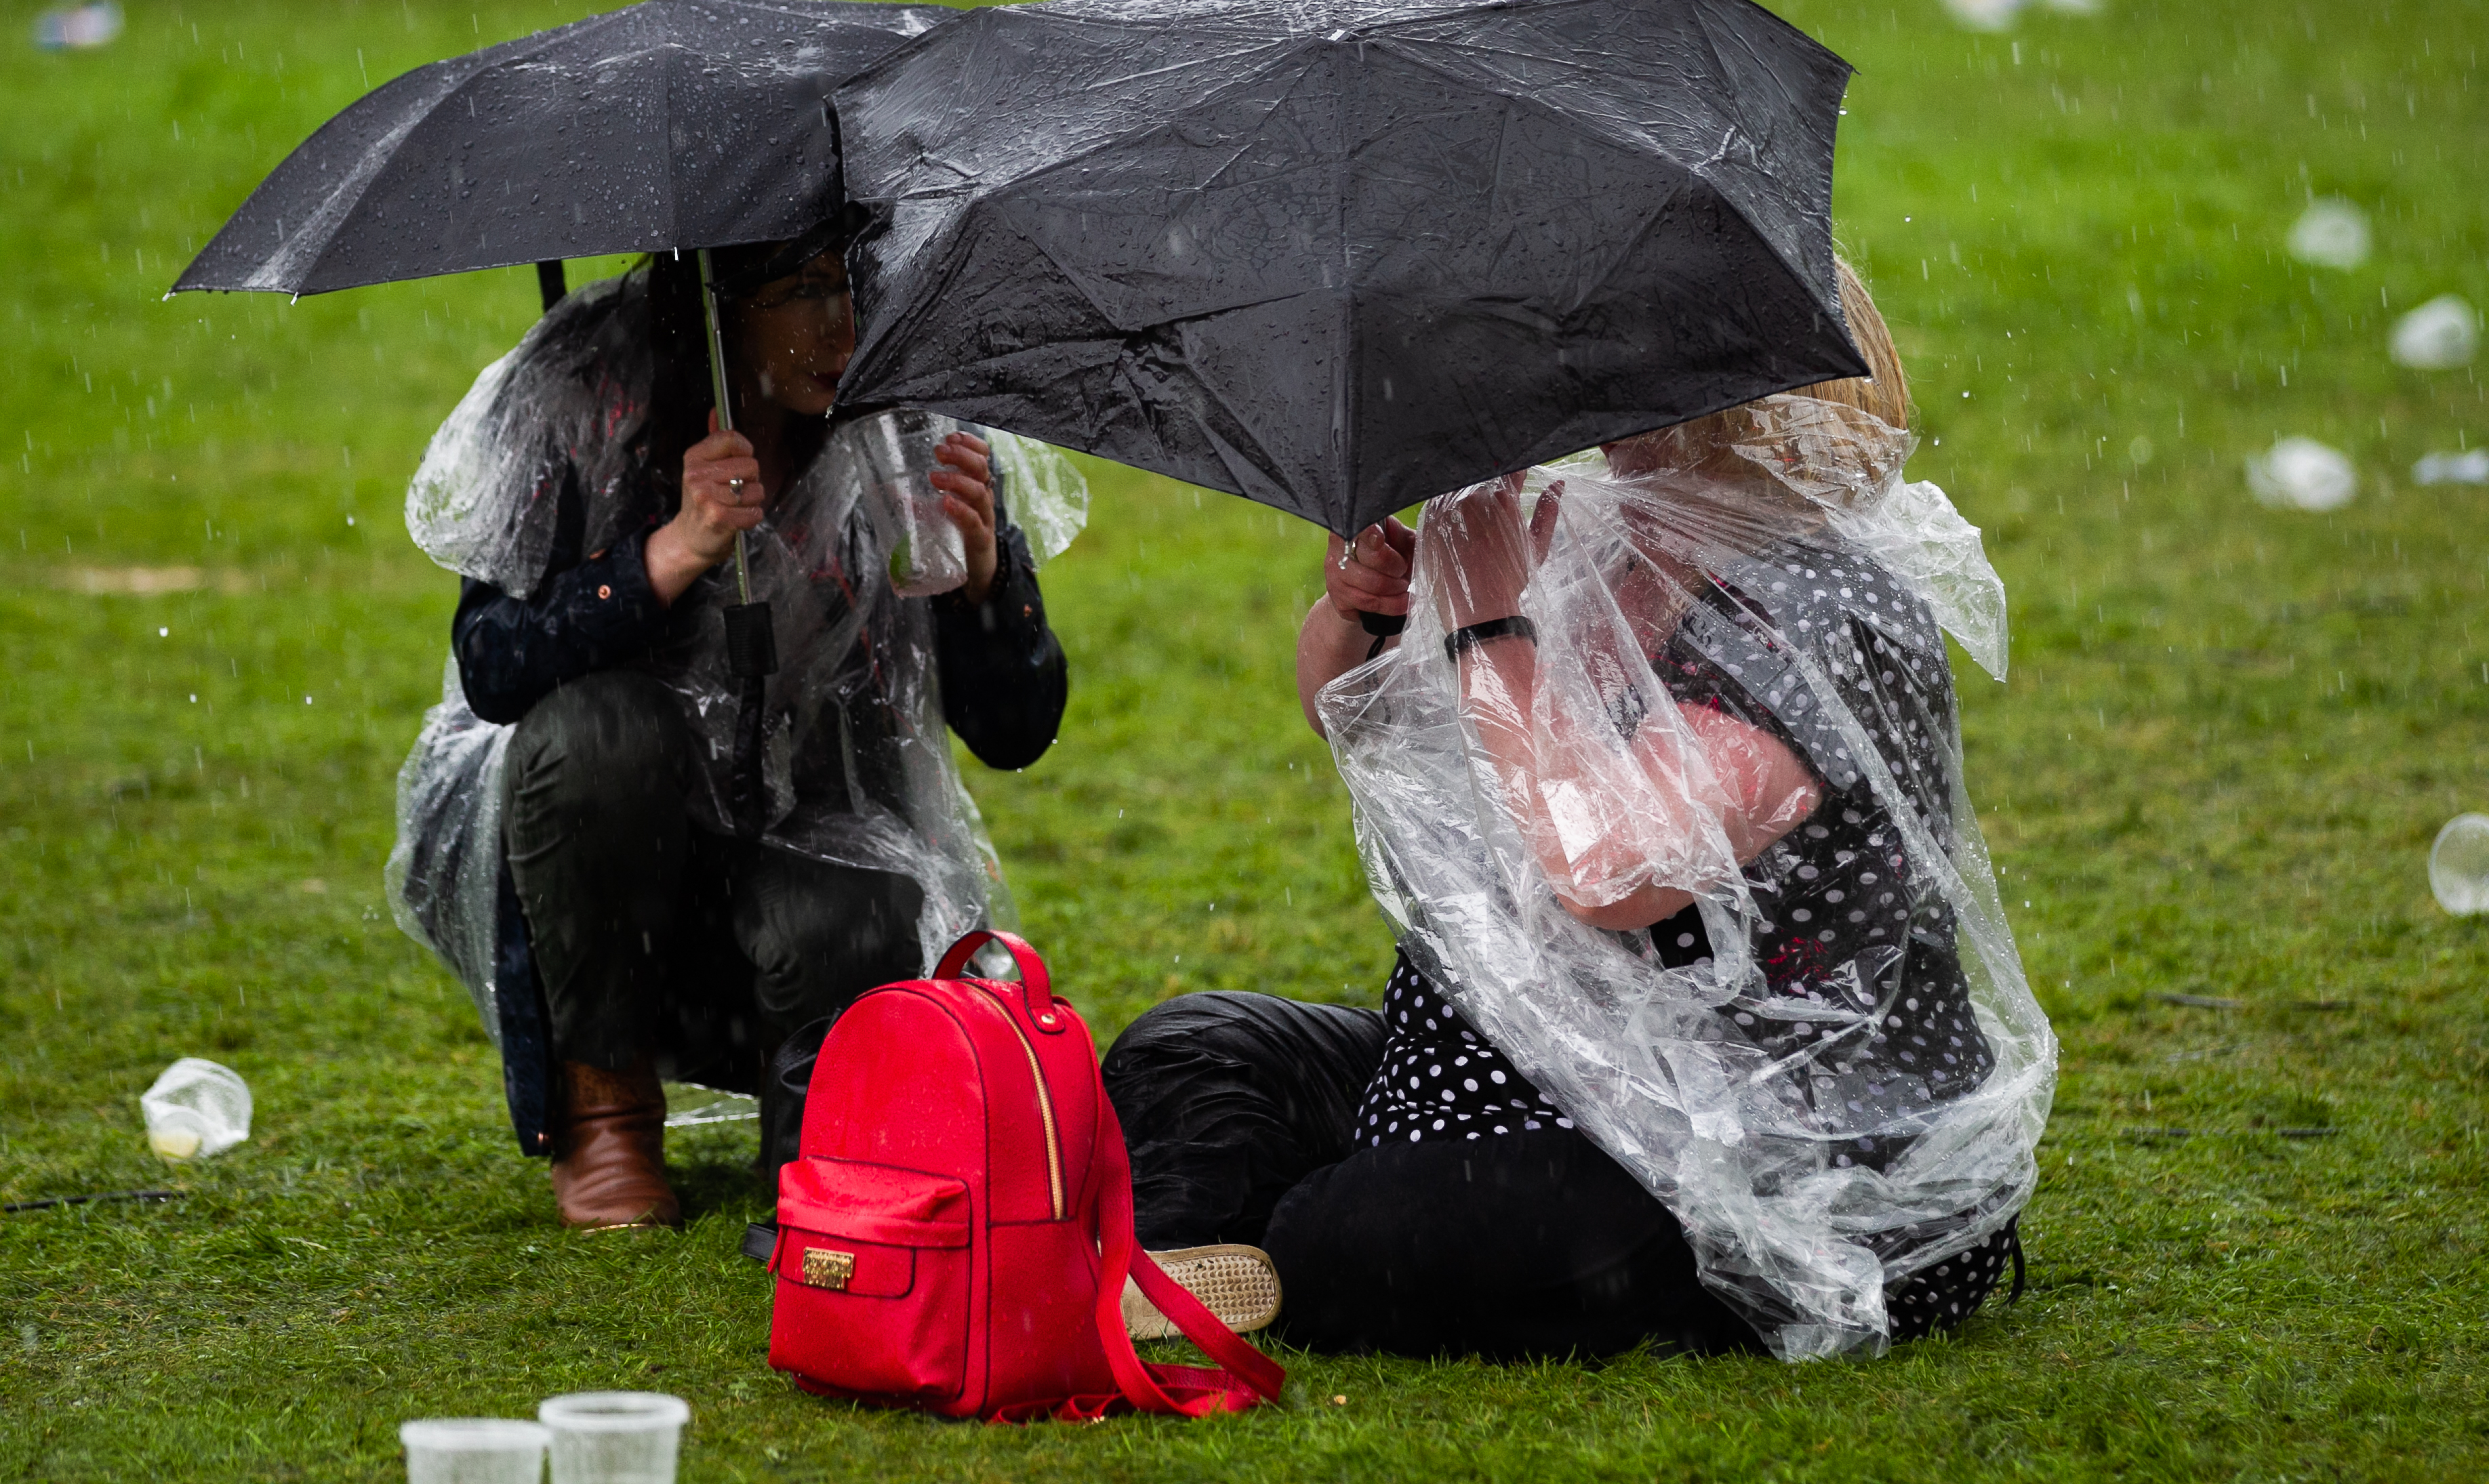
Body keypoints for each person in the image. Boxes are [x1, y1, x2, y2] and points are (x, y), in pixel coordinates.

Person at [1104, 260, 2054, 1360]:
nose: (1585, 379)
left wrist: (1489, 627)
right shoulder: (1611, 535)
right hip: (1521, 1060)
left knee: (1372, 1228)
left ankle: (1279, 1251)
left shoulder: (1824, 609)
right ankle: (1209, 1257)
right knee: (1194, 1054)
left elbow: (1612, 868)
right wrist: (1371, 611)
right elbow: (1348, 717)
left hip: (1763, 1135)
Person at [387, 224, 1082, 1231]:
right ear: (716, 301)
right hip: (604, 866)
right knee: (600, 738)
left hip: (810, 854)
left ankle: (816, 1144)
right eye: (802, 289)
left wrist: (982, 584)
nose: (842, 325)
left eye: (856, 284)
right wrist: (668, 555)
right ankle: (606, 1109)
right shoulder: (590, 394)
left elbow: (1016, 730)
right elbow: (494, 665)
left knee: (854, 904)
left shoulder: (908, 424)